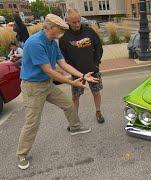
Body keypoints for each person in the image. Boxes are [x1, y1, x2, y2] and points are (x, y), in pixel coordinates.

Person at [16, 14, 98, 170]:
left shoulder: (52, 42)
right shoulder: (35, 43)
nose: (62, 31)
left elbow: (62, 63)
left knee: (68, 104)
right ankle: (21, 154)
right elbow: (49, 71)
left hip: (46, 84)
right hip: (33, 88)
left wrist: (81, 76)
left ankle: (75, 127)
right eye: (60, 29)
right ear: (50, 28)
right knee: (32, 122)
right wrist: (71, 82)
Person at [59, 9, 105, 123]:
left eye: (78, 21)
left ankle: (98, 111)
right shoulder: (64, 37)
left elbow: (99, 47)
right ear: (68, 21)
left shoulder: (89, 31)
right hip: (76, 73)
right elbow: (63, 55)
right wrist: (72, 69)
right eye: (74, 22)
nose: (77, 24)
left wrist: (96, 63)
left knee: (96, 92)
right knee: (75, 97)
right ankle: (75, 119)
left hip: (92, 70)